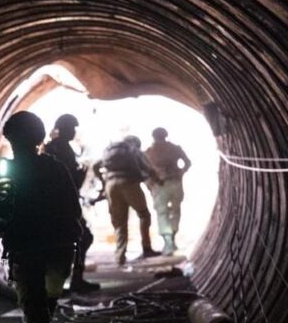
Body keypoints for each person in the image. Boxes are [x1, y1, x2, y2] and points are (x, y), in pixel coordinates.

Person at [0, 111, 81, 323]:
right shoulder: (56, 168)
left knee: (36, 314)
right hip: (60, 251)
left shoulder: (5, 175)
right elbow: (74, 210)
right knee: (45, 309)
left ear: (9, 139)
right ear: (41, 138)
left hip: (27, 253)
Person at [43, 114, 100, 293]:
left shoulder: (55, 147)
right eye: (71, 128)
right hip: (60, 205)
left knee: (76, 239)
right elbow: (64, 177)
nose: (73, 132)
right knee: (81, 238)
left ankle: (64, 281)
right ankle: (69, 281)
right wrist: (80, 173)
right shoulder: (59, 148)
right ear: (63, 129)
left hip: (59, 203)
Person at [92, 135, 159, 265]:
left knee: (119, 222)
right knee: (144, 215)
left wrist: (103, 180)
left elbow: (95, 165)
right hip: (130, 184)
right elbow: (148, 169)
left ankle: (120, 257)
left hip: (110, 186)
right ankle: (146, 248)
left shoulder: (110, 150)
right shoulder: (133, 150)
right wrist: (158, 181)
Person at [143, 127, 191, 255]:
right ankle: (173, 239)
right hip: (176, 182)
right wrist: (181, 172)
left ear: (153, 137)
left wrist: (150, 184)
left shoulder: (148, 152)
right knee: (176, 210)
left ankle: (168, 242)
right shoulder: (175, 148)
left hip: (159, 185)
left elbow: (145, 171)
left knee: (162, 213)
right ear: (166, 135)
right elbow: (187, 163)